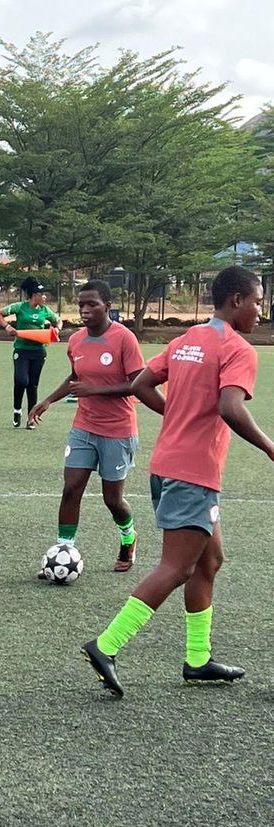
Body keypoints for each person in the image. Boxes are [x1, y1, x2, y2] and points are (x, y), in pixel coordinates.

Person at [82, 266, 268, 697]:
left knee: (209, 561)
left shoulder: (187, 340)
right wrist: (270, 447)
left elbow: (141, 383)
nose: (261, 310)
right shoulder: (237, 348)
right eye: (258, 301)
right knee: (177, 566)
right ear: (236, 300)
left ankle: (198, 660)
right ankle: (106, 645)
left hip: (166, 466)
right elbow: (231, 408)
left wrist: (176, 416)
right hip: (193, 471)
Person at [29, 280, 144, 572]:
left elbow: (139, 384)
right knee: (71, 488)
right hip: (84, 426)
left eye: (92, 304)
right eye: (81, 304)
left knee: (112, 499)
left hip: (118, 429)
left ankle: (128, 537)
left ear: (107, 306)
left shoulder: (124, 339)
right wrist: (48, 400)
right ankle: (64, 550)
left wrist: (96, 390)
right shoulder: (77, 340)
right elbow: (74, 377)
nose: (85, 309)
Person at [0, 276, 62, 429]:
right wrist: (7, 327)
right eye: (41, 294)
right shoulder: (20, 307)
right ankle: (17, 410)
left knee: (33, 385)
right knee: (21, 381)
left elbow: (58, 320)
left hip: (38, 351)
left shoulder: (45, 310)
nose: (44, 297)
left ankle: (31, 418)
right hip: (21, 350)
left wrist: (57, 329)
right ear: (33, 295)